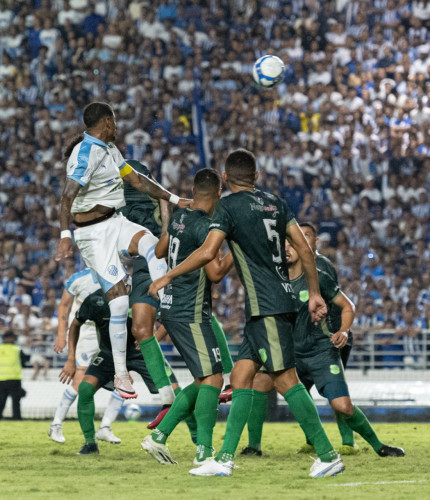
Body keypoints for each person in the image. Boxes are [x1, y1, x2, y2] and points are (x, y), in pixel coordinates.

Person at [148, 149, 343, 478]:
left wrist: (168, 275)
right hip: (267, 308)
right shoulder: (276, 204)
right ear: (256, 176)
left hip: (268, 307)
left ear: (224, 179)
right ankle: (223, 459)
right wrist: (313, 293)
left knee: (285, 379)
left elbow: (209, 252)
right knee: (240, 379)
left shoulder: (227, 207)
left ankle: (327, 454)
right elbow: (307, 250)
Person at [55, 101, 190, 401]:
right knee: (118, 304)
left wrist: (176, 199)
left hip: (115, 222)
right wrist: (65, 236)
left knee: (152, 246)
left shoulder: (110, 151)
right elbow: (66, 197)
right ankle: (120, 373)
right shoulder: (85, 154)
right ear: (105, 122)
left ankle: (165, 300)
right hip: (92, 235)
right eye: (114, 122)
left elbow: (138, 181)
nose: (117, 127)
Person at [240, 239, 405, 459]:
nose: (286, 249)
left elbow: (347, 306)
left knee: (343, 406)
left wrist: (344, 331)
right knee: (260, 383)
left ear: (303, 249)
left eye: (291, 245)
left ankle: (379, 446)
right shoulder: (273, 279)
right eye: (283, 246)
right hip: (290, 355)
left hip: (320, 352)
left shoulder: (318, 277)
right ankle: (254, 446)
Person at [141, 168, 235, 465]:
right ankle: (204, 452)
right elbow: (216, 272)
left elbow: (158, 251)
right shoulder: (207, 226)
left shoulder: (180, 216)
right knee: (214, 378)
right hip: (190, 310)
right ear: (219, 194)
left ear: (193, 191)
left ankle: (159, 437)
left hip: (173, 308)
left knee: (203, 379)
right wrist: (236, 246)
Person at [58, 289, 189, 455]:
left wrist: (154, 339)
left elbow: (168, 318)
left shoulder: (140, 296)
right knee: (85, 388)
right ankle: (90, 443)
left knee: (178, 394)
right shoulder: (95, 300)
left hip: (142, 352)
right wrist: (70, 360)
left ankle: (199, 443)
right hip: (109, 354)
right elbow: (75, 324)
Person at [118, 159, 182, 428]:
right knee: (141, 331)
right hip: (145, 263)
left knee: (182, 320)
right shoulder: (117, 203)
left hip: (167, 260)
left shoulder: (159, 201)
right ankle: (169, 400)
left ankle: (210, 385)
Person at [298, 222, 358, 449]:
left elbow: (337, 303)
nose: (303, 239)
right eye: (299, 235)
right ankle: (312, 440)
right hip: (305, 340)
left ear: (316, 242)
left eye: (307, 236)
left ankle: (347, 441)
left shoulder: (321, 265)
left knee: (336, 392)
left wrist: (340, 331)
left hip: (329, 337)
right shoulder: (293, 265)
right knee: (300, 393)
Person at [48, 265, 103, 444]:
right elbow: (63, 307)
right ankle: (56, 424)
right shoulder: (78, 279)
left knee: (122, 381)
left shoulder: (117, 275)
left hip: (108, 332)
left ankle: (106, 427)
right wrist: (61, 335)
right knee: (80, 383)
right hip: (85, 334)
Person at [0, 330, 28, 420]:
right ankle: (16, 418)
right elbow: (25, 361)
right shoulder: (16, 349)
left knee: (0, 402)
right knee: (16, 401)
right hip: (14, 378)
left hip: (0, 379)